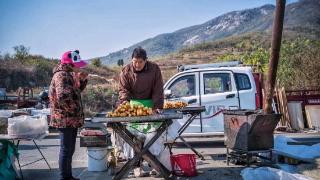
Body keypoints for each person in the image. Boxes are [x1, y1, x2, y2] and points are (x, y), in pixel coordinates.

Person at [117, 46, 164, 177]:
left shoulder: (154, 69)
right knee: (134, 138)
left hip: (150, 107)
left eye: (140, 62)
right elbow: (123, 90)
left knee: (153, 136)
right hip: (133, 108)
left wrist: (155, 107)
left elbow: (158, 89)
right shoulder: (126, 70)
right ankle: (137, 167)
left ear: (146, 60)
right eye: (134, 61)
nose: (137, 65)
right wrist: (125, 102)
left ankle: (154, 164)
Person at [49, 50, 88, 180]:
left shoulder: (68, 74)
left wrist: (82, 80)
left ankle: (68, 176)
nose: (80, 67)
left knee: (69, 149)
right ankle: (64, 177)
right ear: (70, 64)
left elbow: (75, 92)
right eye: (78, 64)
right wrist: (76, 111)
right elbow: (63, 97)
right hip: (65, 119)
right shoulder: (62, 76)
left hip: (69, 119)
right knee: (66, 150)